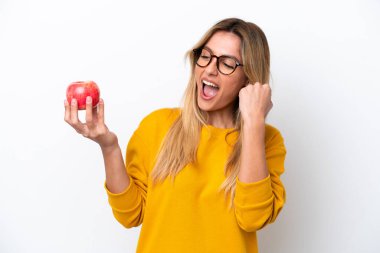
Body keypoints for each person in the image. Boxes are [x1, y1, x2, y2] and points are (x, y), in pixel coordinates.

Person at [64, 17, 286, 253]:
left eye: (227, 63)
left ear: (249, 79)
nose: (210, 69)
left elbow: (253, 218)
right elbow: (131, 215)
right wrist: (109, 147)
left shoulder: (267, 141)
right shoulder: (158, 125)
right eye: (206, 56)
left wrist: (253, 122)